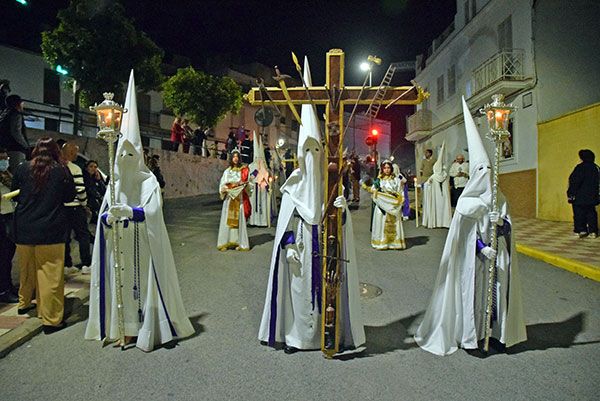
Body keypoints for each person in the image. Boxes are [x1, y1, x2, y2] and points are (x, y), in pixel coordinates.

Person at [258, 57, 365, 354]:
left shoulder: (330, 182)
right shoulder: (293, 183)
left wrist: (342, 210)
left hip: (327, 241)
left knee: (329, 290)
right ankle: (296, 338)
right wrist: (289, 243)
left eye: (315, 149)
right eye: (306, 149)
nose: (311, 154)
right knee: (298, 291)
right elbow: (286, 223)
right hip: (302, 246)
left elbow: (340, 216)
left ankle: (328, 336)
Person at [85, 71, 194, 351]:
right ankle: (120, 328)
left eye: (130, 154)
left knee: (141, 288)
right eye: (121, 154)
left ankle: (148, 328)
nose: (124, 159)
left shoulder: (149, 182)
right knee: (120, 286)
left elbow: (154, 213)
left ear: (140, 157)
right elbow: (103, 218)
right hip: (119, 247)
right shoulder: (114, 181)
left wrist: (131, 212)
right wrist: (109, 218)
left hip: (142, 248)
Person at [414, 98, 526, 355]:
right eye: (481, 168)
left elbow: (509, 227)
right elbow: (464, 236)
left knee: (497, 292)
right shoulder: (466, 204)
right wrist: (480, 247)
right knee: (472, 296)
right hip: (473, 261)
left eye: (489, 168)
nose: (487, 172)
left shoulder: (500, 198)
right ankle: (470, 336)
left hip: (497, 257)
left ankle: (494, 333)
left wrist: (501, 224)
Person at [12, 137, 76, 334]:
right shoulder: (60, 170)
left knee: (27, 269)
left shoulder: (22, 168)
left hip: (23, 228)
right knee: (49, 276)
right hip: (50, 229)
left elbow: (17, 192)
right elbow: (69, 196)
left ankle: (24, 303)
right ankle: (50, 320)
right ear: (55, 151)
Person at [61, 142, 91, 272]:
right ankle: (86, 264)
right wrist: (84, 204)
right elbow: (80, 190)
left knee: (65, 236)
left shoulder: (57, 167)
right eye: (76, 152)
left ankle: (67, 264)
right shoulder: (75, 168)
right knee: (83, 235)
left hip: (61, 208)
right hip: (75, 207)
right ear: (71, 153)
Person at [217, 149, 251, 251]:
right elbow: (222, 183)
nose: (235, 158)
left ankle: (238, 242)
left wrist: (243, 185)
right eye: (233, 157)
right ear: (231, 158)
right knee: (226, 220)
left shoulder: (243, 171)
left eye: (237, 157)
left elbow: (248, 183)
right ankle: (225, 242)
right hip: (229, 198)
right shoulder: (227, 171)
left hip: (238, 198)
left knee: (239, 220)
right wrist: (224, 189)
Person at [368, 160, 406, 250]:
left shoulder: (396, 180)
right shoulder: (379, 180)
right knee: (382, 223)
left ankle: (394, 243)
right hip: (382, 206)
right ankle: (382, 242)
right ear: (382, 169)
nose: (387, 170)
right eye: (385, 168)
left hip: (393, 206)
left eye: (388, 168)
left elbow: (400, 191)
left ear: (391, 169)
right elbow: (373, 191)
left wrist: (400, 199)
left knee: (394, 223)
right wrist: (378, 193)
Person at [567, 149, 599, 238]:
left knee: (579, 214)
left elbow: (574, 181)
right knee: (591, 213)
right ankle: (593, 232)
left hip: (579, 196)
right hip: (592, 196)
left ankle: (580, 230)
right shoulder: (596, 168)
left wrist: (570, 194)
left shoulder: (580, 167)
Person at [0, 147, 18, 303]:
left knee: (8, 256)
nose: (4, 161)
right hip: (2, 218)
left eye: (6, 159)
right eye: (1, 159)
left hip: (9, 216)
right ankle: (3, 290)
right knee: (3, 257)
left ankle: (8, 286)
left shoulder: (7, 175)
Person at [422, 141, 452, 228]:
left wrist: (428, 185)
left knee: (439, 209)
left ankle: (439, 222)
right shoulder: (443, 176)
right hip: (442, 198)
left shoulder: (436, 176)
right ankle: (444, 222)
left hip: (438, 199)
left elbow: (427, 185)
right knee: (443, 208)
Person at [248, 133, 275, 227]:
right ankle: (254, 221)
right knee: (254, 204)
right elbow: (249, 178)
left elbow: (268, 177)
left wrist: (265, 182)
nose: (259, 160)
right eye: (257, 158)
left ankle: (263, 221)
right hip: (254, 190)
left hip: (262, 189)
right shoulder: (251, 166)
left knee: (263, 205)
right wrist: (255, 175)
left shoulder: (265, 167)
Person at [0, 94, 30, 173]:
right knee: (17, 173)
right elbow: (16, 132)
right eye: (21, 102)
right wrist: (25, 145)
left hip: (4, 148)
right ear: (17, 104)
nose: (23, 104)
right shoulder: (16, 114)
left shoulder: (4, 115)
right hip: (16, 148)